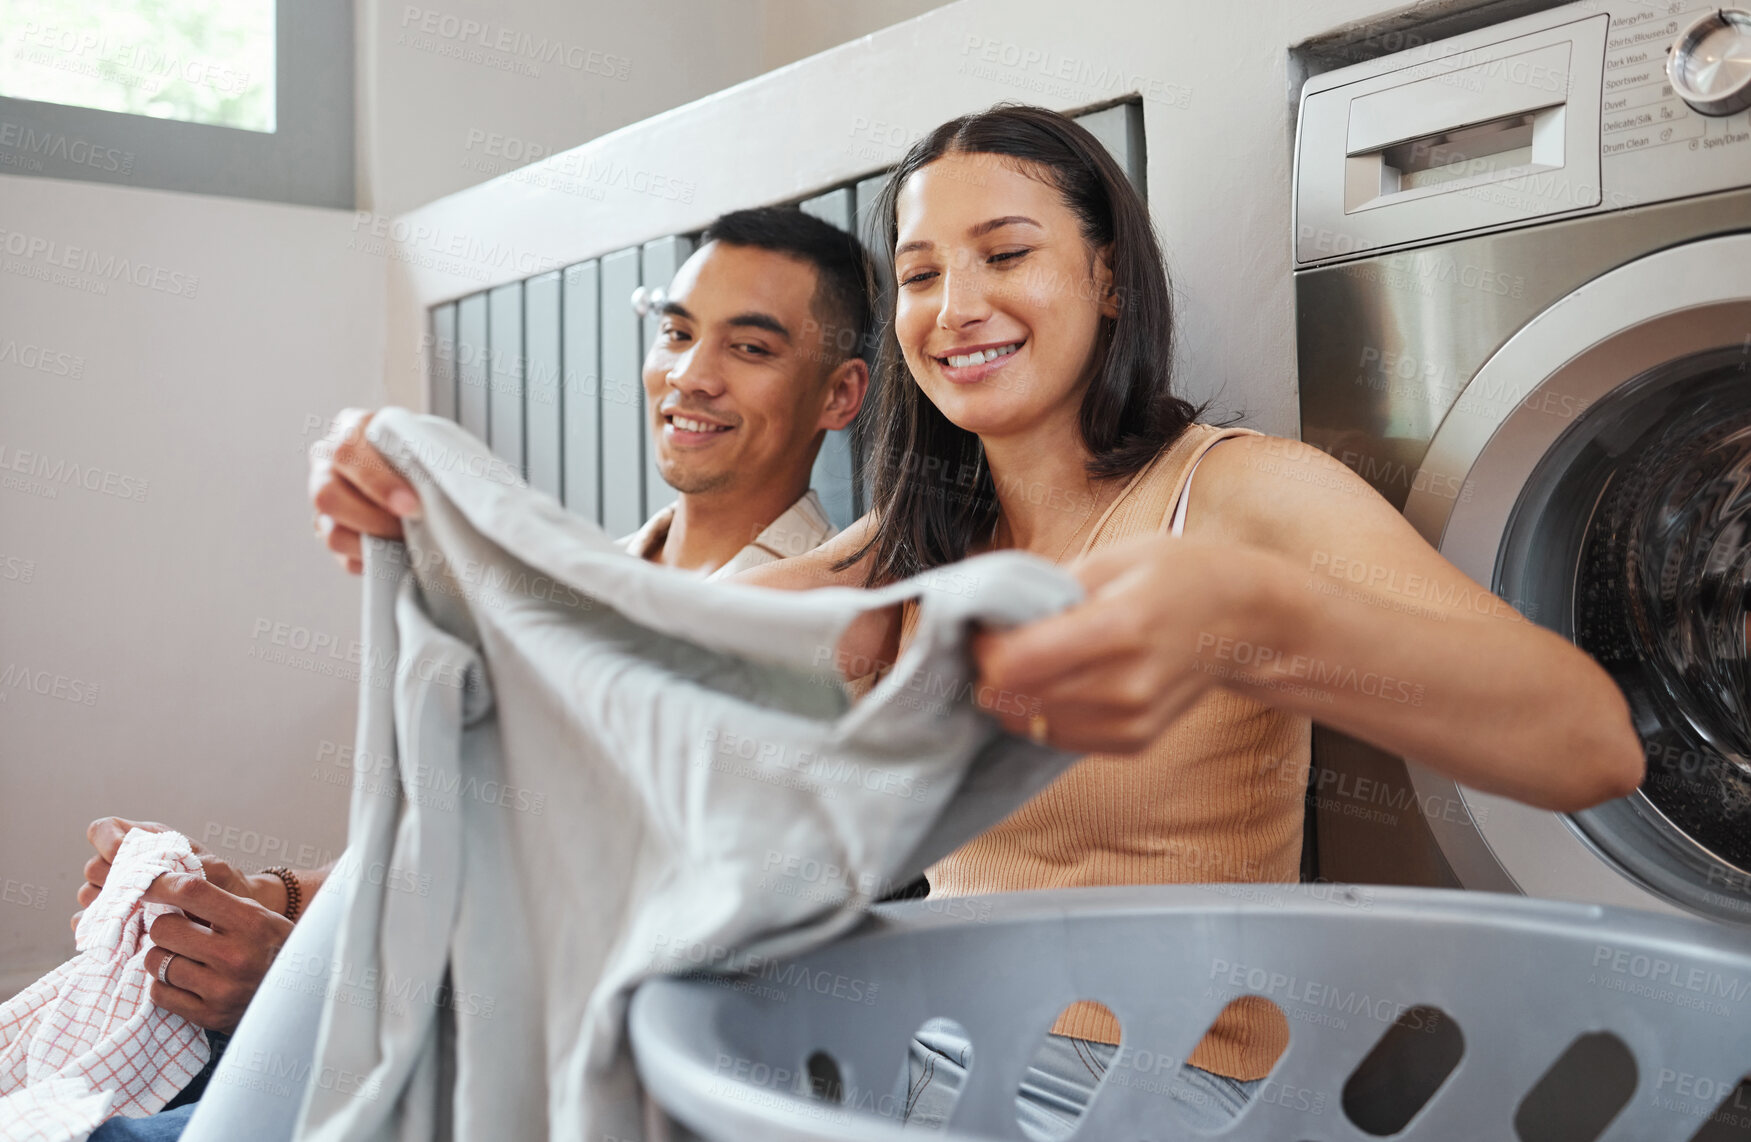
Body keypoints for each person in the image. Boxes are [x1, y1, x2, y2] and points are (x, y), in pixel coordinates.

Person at [301, 105, 1644, 1138]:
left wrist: (1247, 614)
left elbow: (1586, 745)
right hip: (930, 1064)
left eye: (1005, 254)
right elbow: (624, 645)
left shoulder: (1236, 497)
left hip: (1185, 1091)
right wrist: (423, 507)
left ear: (1108, 278)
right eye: (919, 273)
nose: (955, 310)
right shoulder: (912, 546)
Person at [76, 203, 874, 1141]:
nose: (690, 377)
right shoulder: (585, 581)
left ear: (839, 395)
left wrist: (304, 983)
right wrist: (265, 899)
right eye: (676, 333)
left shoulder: (830, 642)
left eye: (750, 348)